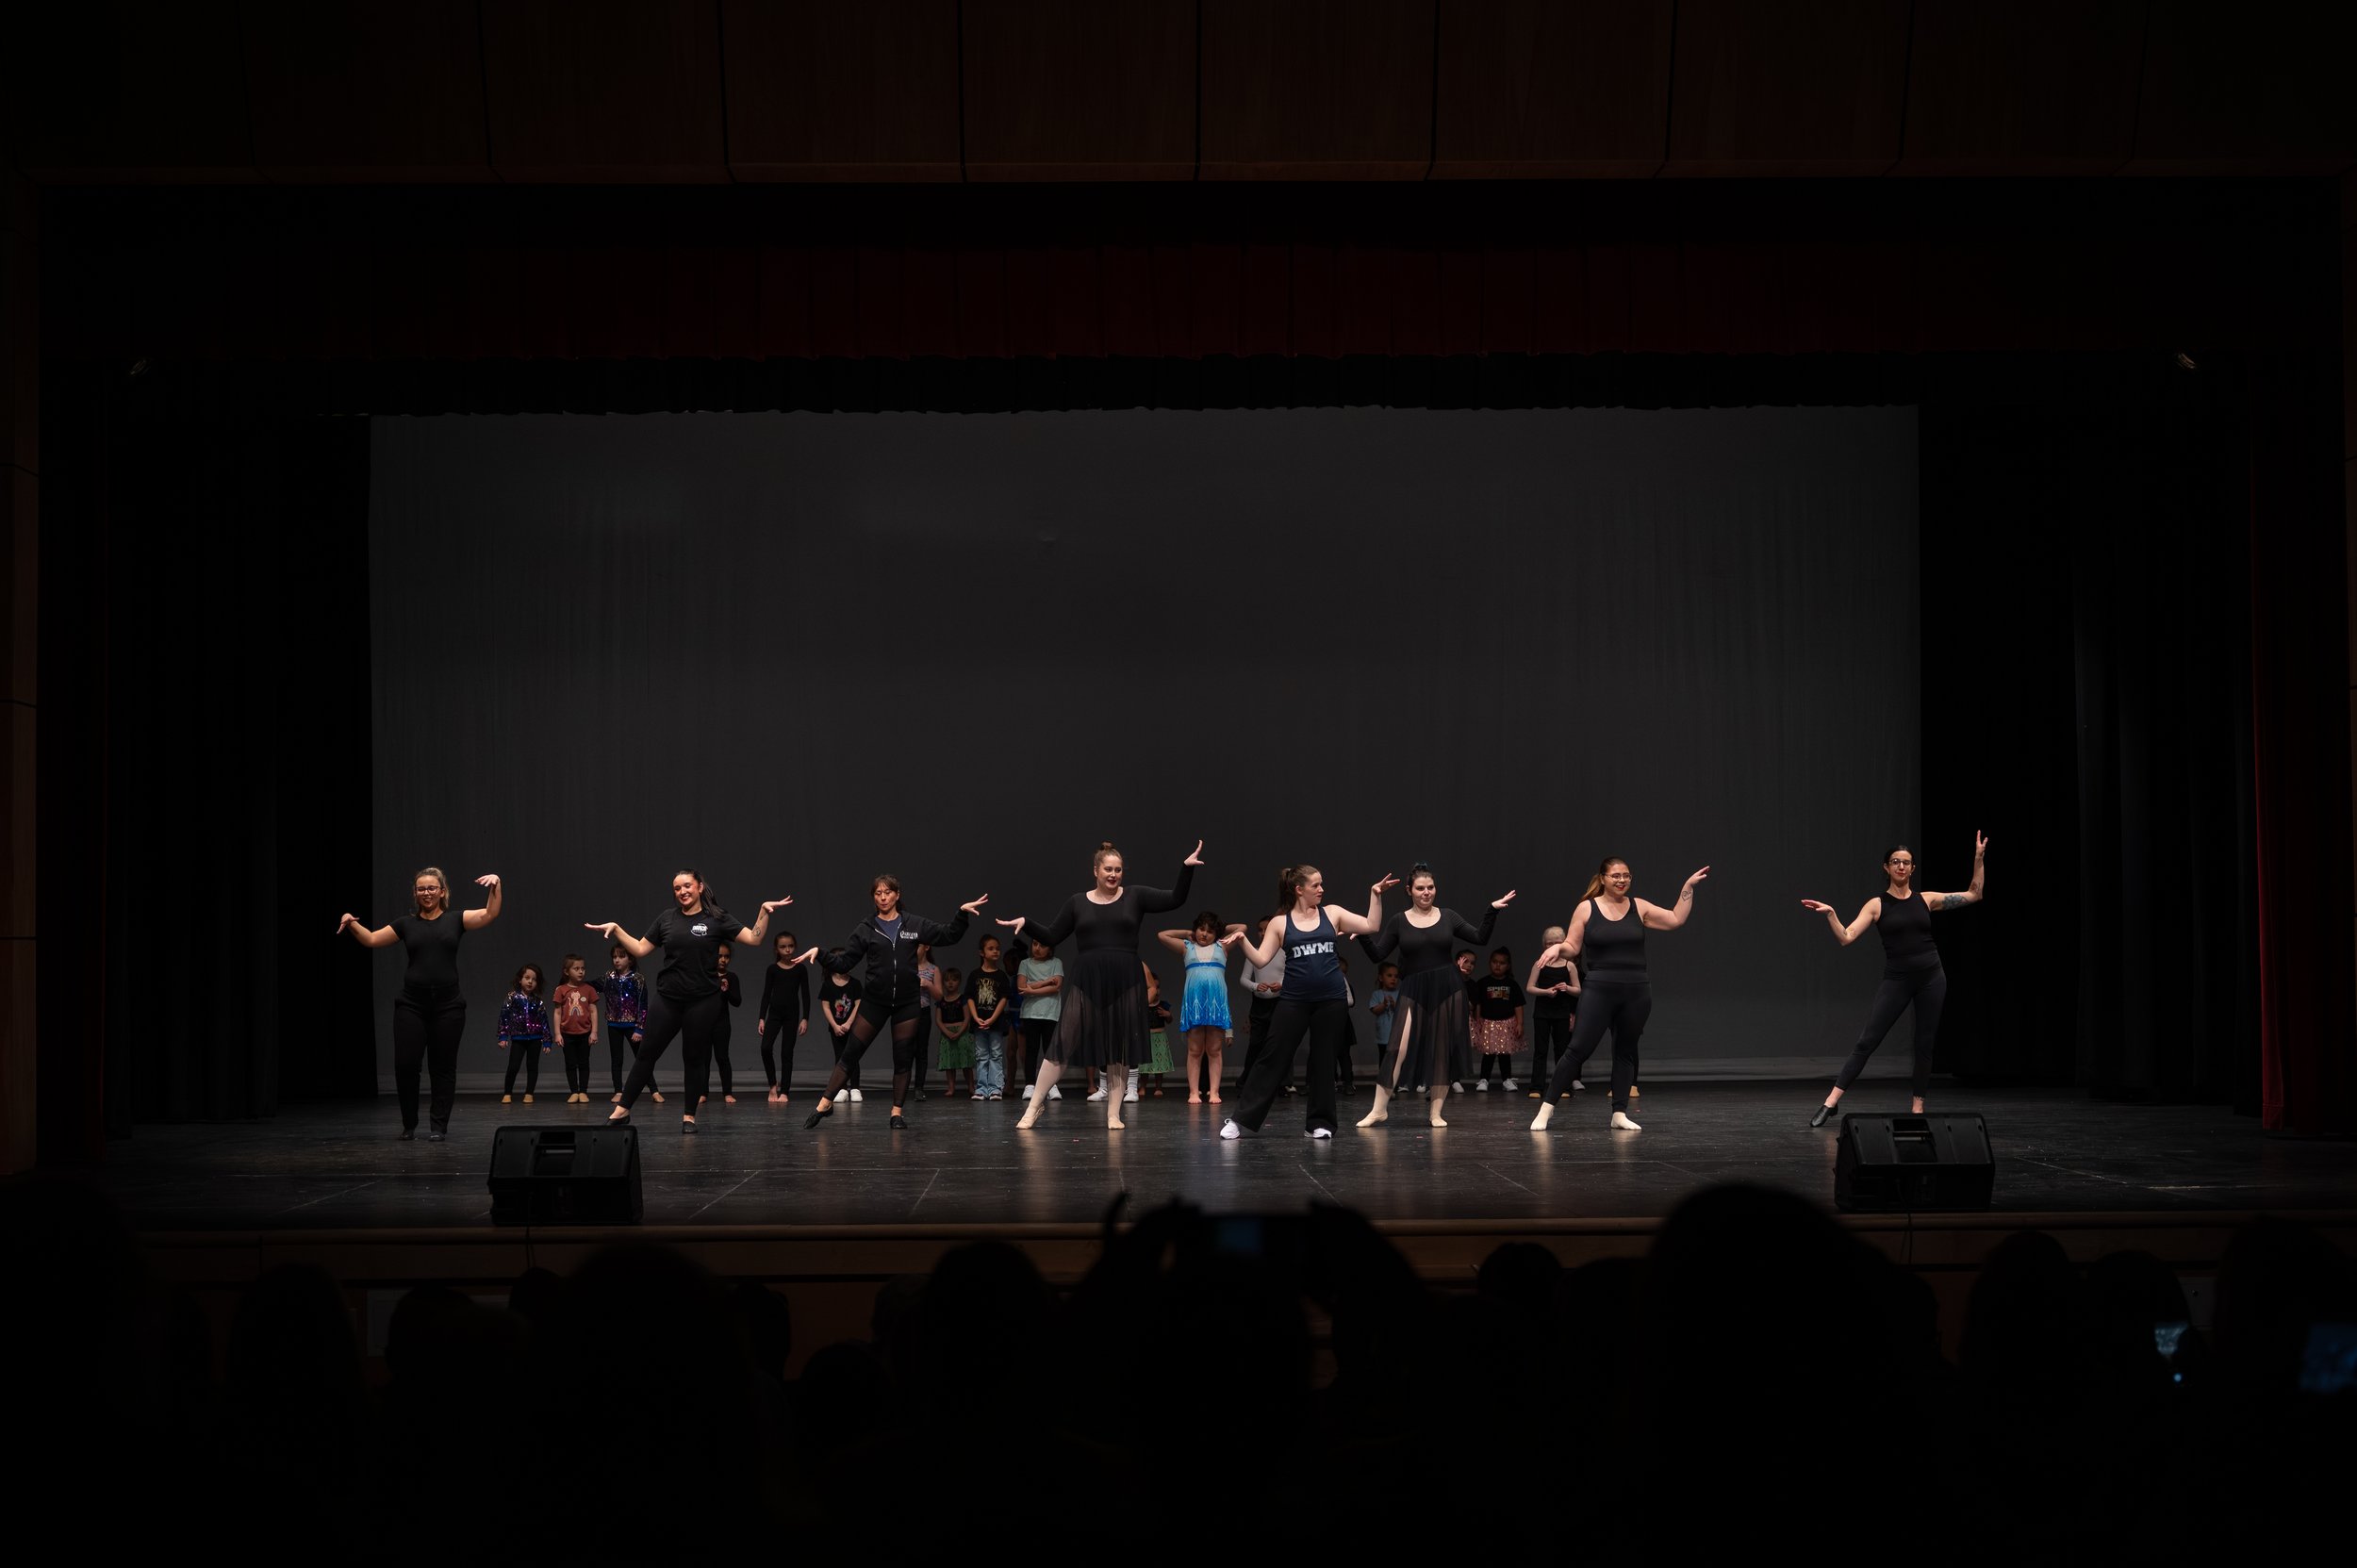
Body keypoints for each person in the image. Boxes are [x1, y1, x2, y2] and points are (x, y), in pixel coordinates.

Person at [999, 841, 1203, 1131]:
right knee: (1063, 1040)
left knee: (1119, 1048)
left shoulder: (1135, 896)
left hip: (1125, 978)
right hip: (1089, 977)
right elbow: (1053, 934)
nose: (1113, 875)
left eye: (1118, 870)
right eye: (1108, 869)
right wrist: (1027, 922)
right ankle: (1033, 1107)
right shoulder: (1077, 902)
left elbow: (1175, 898)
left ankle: (1113, 1114)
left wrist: (1186, 869)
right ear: (1095, 870)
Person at [1803, 834, 1987, 1126]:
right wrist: (1831, 914)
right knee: (1868, 1040)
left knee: (1924, 1043)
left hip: (1931, 977)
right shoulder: (1877, 905)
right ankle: (1831, 1102)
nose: (1901, 866)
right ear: (1886, 868)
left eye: (1906, 863)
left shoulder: (1926, 900)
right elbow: (1846, 937)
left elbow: (1974, 894)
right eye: (1895, 862)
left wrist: (1978, 859)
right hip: (1898, 979)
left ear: (1912, 869)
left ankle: (1917, 1108)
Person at [590, 871, 795, 1133]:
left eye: (687, 886)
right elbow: (640, 949)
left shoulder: (716, 918)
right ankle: (622, 1110)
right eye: (677, 888)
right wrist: (617, 929)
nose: (682, 892)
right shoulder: (667, 918)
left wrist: (763, 912)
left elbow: (754, 938)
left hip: (703, 1001)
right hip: (669, 999)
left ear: (699, 887)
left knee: (694, 1058)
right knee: (646, 1054)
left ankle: (689, 1116)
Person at [1531, 858, 1710, 1133]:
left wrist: (1687, 887)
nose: (1622, 880)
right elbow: (1572, 946)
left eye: (1626, 875)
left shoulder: (1639, 907)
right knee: (1578, 1049)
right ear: (1603, 878)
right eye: (1615, 875)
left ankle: (1619, 1113)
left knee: (1625, 1051)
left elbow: (1676, 918)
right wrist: (1557, 948)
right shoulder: (1587, 908)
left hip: (1636, 990)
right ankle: (1546, 1109)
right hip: (1599, 988)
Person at [1219, 866, 1397, 1141]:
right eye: (1316, 885)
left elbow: (1371, 925)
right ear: (1299, 889)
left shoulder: (1332, 913)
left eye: (1321, 884)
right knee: (1272, 1057)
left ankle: (1319, 1123)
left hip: (1331, 1001)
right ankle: (1241, 1120)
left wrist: (1375, 894)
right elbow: (1260, 960)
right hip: (1294, 1000)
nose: (1322, 889)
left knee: (1324, 1061)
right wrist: (1242, 941)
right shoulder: (1280, 923)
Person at [806, 876, 989, 1131]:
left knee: (903, 1058)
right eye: (878, 893)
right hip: (875, 1001)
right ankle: (825, 1104)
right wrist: (821, 953)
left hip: (907, 1002)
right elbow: (845, 962)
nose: (883, 897)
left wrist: (962, 914)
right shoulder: (867, 928)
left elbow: (948, 934)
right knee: (851, 1053)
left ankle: (896, 1113)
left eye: (888, 892)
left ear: (897, 895)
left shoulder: (913, 924)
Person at [338, 867, 502, 1142]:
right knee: (405, 1065)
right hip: (412, 1005)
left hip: (448, 1007)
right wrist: (350, 921)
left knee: (443, 1067)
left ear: (442, 892)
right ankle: (409, 1124)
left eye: (432, 888)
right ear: (415, 893)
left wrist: (496, 886)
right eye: (421, 889)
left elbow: (489, 913)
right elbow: (372, 939)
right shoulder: (406, 924)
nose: (427, 893)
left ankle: (438, 1127)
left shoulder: (455, 920)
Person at [1351, 863, 1514, 1129]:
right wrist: (1363, 936)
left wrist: (1492, 910)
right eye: (1420, 888)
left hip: (1447, 988)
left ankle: (1435, 1113)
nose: (1426, 892)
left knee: (1441, 1050)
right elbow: (1378, 955)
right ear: (1409, 891)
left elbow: (1479, 937)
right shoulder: (1399, 921)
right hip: (1413, 989)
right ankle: (1378, 1110)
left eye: (1430, 887)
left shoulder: (1448, 916)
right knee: (1396, 1048)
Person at [1159, 912, 1240, 1105]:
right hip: (1194, 1003)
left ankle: (1214, 1092)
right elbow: (1162, 935)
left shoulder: (1222, 946)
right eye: (1201, 929)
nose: (1204, 934)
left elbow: (1242, 928)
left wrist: (1220, 929)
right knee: (1195, 1050)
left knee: (1215, 1050)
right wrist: (1188, 932)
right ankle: (1194, 1092)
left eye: (1210, 931)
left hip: (1216, 1003)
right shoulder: (1187, 947)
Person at [757, 931, 811, 1104]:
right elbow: (766, 994)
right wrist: (761, 1018)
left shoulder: (800, 969)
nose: (787, 950)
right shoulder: (772, 969)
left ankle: (785, 1091)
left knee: (786, 1052)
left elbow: (806, 995)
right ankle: (773, 1084)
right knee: (765, 1047)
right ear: (776, 950)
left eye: (791, 946)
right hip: (774, 1014)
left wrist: (805, 1018)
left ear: (795, 947)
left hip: (792, 1015)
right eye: (783, 947)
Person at [1525, 929, 1578, 1101]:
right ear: (1544, 945)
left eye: (1557, 943)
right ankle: (1536, 1087)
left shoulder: (1569, 965)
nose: (1553, 946)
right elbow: (1530, 987)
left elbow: (1578, 990)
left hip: (1562, 1013)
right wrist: (1546, 992)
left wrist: (1567, 988)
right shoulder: (1540, 963)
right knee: (1541, 1050)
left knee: (1562, 1051)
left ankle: (1564, 1087)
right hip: (1542, 1013)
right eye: (1549, 943)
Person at [600, 945, 653, 1103]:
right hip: (614, 1024)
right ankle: (618, 1090)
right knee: (617, 1059)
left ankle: (654, 1090)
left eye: (621, 956)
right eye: (614, 957)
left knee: (642, 1058)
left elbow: (643, 1005)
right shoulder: (609, 977)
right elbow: (592, 986)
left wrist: (640, 1028)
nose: (616, 960)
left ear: (630, 960)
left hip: (632, 1026)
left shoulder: (637, 979)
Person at [964, 935, 1015, 1100]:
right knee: (981, 1055)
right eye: (991, 948)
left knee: (996, 1054)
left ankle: (995, 1088)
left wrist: (993, 1018)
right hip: (979, 1022)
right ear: (982, 952)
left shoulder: (1001, 976)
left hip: (996, 1022)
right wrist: (975, 1017)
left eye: (997, 948)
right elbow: (970, 998)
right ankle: (981, 1088)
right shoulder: (974, 975)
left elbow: (1003, 999)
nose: (995, 951)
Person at [1015, 937, 1064, 1105]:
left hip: (1050, 1013)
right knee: (1031, 1049)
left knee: (1050, 1051)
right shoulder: (1025, 963)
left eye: (1042, 945)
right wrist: (1046, 982)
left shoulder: (1056, 962)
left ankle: (1051, 1085)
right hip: (1031, 1013)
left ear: (1050, 949)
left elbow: (1056, 987)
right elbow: (1021, 987)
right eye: (1035, 944)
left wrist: (1032, 990)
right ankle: (1030, 1085)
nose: (1037, 948)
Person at [1472, 947, 1525, 1091]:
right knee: (1488, 1054)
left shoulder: (1511, 984)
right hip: (1488, 1023)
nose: (1498, 965)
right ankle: (1484, 1080)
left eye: (1502, 963)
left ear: (1507, 966)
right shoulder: (1483, 983)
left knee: (1504, 1054)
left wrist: (1520, 1023)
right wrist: (1478, 1021)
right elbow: (1478, 1004)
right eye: (1495, 962)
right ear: (1490, 963)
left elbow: (1518, 1005)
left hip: (1506, 1023)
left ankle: (1507, 1079)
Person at [497, 964, 551, 1104]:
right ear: (520, 979)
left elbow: (544, 1020)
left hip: (535, 1038)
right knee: (513, 1066)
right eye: (527, 978)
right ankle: (507, 1093)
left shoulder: (538, 1001)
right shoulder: (512, 997)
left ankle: (529, 1093)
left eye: (534, 979)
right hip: (518, 1037)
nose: (530, 981)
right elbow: (504, 1016)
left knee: (532, 1067)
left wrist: (547, 1040)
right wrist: (503, 1036)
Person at [551, 955, 601, 1103]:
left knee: (584, 1063)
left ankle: (583, 1091)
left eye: (582, 968)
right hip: (567, 1034)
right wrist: (558, 1033)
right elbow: (557, 1012)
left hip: (585, 1033)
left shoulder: (589, 990)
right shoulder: (561, 990)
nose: (580, 972)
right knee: (570, 1063)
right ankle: (574, 1091)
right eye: (576, 969)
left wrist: (594, 1032)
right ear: (567, 972)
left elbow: (593, 1011)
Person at [820, 957, 864, 1099]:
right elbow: (826, 1006)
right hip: (836, 1028)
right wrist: (835, 1025)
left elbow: (858, 1004)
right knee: (839, 1057)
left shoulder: (855, 983)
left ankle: (855, 1088)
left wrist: (849, 1023)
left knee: (853, 1056)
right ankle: (842, 1089)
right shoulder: (828, 984)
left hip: (853, 1027)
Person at [709, 942, 743, 1106]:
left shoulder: (732, 977)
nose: (723, 960)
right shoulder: (706, 974)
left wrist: (726, 990)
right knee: (703, 1059)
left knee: (722, 1057)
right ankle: (702, 1092)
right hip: (704, 1022)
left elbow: (737, 1002)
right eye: (719, 956)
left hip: (721, 1023)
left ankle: (727, 1093)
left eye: (726, 956)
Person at [908, 945, 944, 1102]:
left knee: (921, 1051)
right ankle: (902, 1085)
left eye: (918, 945)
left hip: (923, 1012)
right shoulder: (907, 966)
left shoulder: (933, 969)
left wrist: (928, 985)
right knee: (906, 1050)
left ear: (926, 947)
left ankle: (919, 1088)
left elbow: (939, 996)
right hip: (907, 1013)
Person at [934, 967, 972, 1099]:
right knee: (949, 1063)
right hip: (947, 1033)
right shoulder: (941, 1001)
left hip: (962, 1032)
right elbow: (938, 1020)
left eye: (954, 980)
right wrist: (947, 1032)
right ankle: (951, 1087)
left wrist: (959, 1032)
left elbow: (967, 1017)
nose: (950, 983)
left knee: (966, 1062)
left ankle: (971, 1087)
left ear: (959, 982)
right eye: (947, 980)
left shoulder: (962, 999)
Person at [1143, 969, 1174, 1098]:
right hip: (1146, 1037)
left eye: (1158, 987)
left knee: (1159, 1065)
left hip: (1159, 1037)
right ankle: (1142, 1087)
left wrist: (1168, 1015)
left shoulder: (1163, 1005)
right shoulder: (1143, 1005)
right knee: (1144, 1065)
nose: (1156, 990)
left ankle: (1158, 1087)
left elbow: (1170, 1021)